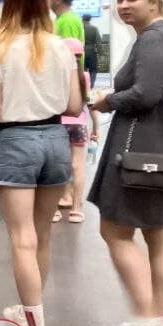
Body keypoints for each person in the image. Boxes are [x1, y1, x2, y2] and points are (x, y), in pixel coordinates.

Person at [0, 0, 84, 326]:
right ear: (44, 3)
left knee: (22, 239)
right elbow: (73, 106)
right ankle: (31, 316)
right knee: (42, 236)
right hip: (56, 140)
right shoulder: (60, 48)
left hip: (16, 142)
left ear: (8, 5)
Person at [88, 0, 163, 326]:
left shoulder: (153, 38)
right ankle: (160, 318)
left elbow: (146, 93)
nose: (123, 5)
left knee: (115, 231)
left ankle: (146, 317)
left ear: (153, 0)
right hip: (157, 147)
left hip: (141, 151)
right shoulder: (157, 36)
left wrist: (109, 101)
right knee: (157, 234)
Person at [54, 38, 98, 224]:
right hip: (78, 125)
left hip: (57, 124)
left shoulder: (54, 75)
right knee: (77, 167)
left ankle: (54, 210)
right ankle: (76, 209)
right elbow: (90, 103)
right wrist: (95, 126)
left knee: (56, 166)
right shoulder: (84, 76)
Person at [83, 14, 100, 84]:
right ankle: (91, 85)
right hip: (92, 52)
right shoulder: (94, 28)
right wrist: (100, 52)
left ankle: (83, 85)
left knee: (83, 70)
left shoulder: (80, 28)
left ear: (82, 19)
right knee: (93, 70)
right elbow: (98, 41)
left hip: (81, 51)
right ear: (90, 19)